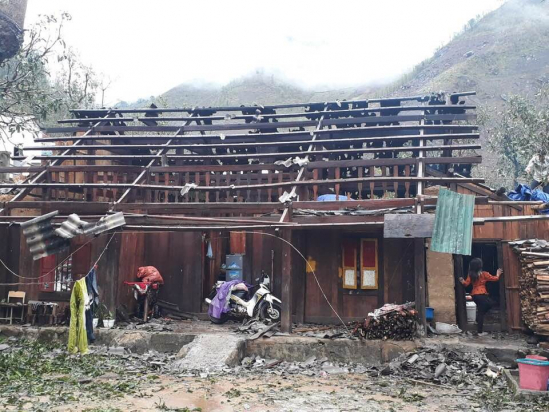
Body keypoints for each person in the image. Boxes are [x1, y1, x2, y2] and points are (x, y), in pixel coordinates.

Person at [458, 258, 502, 336]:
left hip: (475, 295)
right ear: (480, 266)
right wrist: (498, 273)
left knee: (483, 310)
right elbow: (495, 278)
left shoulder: (471, 275)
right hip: (482, 294)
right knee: (488, 306)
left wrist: (462, 281)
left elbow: (466, 284)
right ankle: (480, 332)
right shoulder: (484, 274)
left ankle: (478, 320)